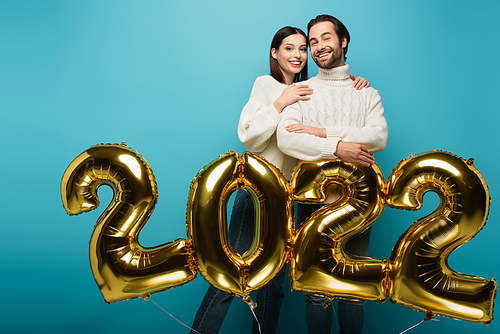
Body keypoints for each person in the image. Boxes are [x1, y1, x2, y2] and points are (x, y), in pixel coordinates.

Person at [190, 26, 370, 334]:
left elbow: (330, 119)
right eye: (290, 48)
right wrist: (279, 103)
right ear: (275, 53)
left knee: (273, 283)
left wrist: (353, 84)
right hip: (256, 191)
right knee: (232, 274)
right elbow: (249, 137)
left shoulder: (309, 91)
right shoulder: (266, 85)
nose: (298, 55)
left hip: (290, 197)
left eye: (303, 49)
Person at [277, 15, 389, 334]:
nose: (318, 47)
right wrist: (338, 147)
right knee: (317, 292)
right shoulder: (301, 90)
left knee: (353, 291)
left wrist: (322, 131)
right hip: (313, 203)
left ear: (343, 42)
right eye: (312, 42)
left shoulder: (365, 93)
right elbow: (287, 138)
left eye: (325, 38)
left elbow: (378, 136)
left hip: (358, 204)